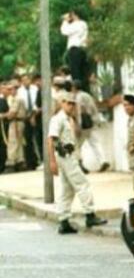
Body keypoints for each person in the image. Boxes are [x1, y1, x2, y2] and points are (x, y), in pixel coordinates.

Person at [48, 92, 107, 234]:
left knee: (67, 189)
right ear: (62, 103)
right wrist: (52, 161)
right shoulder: (58, 119)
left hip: (69, 154)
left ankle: (64, 220)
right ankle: (90, 214)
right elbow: (51, 140)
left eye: (73, 104)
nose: (71, 106)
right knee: (82, 183)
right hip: (65, 155)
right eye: (68, 103)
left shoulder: (69, 119)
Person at [72, 79, 109, 173]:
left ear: (74, 87)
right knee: (95, 142)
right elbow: (94, 109)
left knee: (77, 145)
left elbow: (79, 111)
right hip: (91, 123)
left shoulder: (78, 97)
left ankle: (80, 163)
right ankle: (103, 160)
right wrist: (96, 120)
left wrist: (78, 125)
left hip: (83, 123)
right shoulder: (87, 95)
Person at [60, 10, 90, 93]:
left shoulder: (77, 24)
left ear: (75, 15)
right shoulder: (84, 24)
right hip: (82, 49)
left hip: (75, 50)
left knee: (75, 72)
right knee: (82, 72)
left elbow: (64, 31)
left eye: (71, 15)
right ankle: (84, 90)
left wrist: (65, 20)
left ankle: (78, 90)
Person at [17, 74, 40, 169]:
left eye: (27, 79)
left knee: (38, 138)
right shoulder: (19, 91)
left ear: (30, 80)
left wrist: (33, 115)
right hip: (25, 117)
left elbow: (37, 103)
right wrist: (28, 116)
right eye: (23, 80)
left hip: (36, 115)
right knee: (28, 140)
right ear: (21, 82)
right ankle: (31, 162)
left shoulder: (35, 89)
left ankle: (40, 159)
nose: (26, 82)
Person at [5, 82, 27, 172]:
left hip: (15, 122)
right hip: (19, 122)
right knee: (18, 143)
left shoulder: (17, 99)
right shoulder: (17, 98)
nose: (9, 91)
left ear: (15, 89)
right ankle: (20, 162)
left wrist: (3, 115)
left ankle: (10, 164)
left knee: (13, 143)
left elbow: (12, 114)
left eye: (11, 89)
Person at [0, 84, 10, 173]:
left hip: (3, 126)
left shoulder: (3, 100)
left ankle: (2, 165)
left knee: (3, 145)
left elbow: (6, 112)